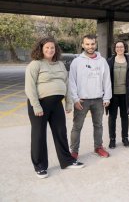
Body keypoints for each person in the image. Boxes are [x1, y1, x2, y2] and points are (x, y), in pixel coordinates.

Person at [25, 37, 85, 179]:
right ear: (41, 49)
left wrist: (69, 103)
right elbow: (30, 87)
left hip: (56, 105)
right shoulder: (35, 64)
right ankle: (39, 166)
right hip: (40, 104)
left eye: (52, 48)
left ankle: (67, 161)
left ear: (56, 49)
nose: (50, 50)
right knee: (39, 136)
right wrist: (36, 105)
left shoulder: (60, 64)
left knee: (60, 132)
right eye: (47, 48)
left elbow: (67, 83)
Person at [69, 34, 112, 159]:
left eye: (92, 44)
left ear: (96, 44)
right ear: (83, 45)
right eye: (87, 44)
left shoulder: (102, 61)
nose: (90, 46)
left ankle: (98, 147)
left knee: (98, 125)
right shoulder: (76, 62)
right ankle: (74, 151)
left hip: (98, 99)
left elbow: (106, 80)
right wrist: (75, 99)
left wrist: (107, 97)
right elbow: (72, 81)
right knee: (77, 127)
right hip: (82, 100)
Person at [107, 40, 129, 149]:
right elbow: (105, 79)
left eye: (122, 47)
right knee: (112, 117)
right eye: (117, 47)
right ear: (115, 48)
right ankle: (112, 139)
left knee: (125, 116)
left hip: (126, 94)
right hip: (113, 95)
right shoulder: (109, 61)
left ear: (125, 48)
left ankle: (125, 138)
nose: (119, 49)